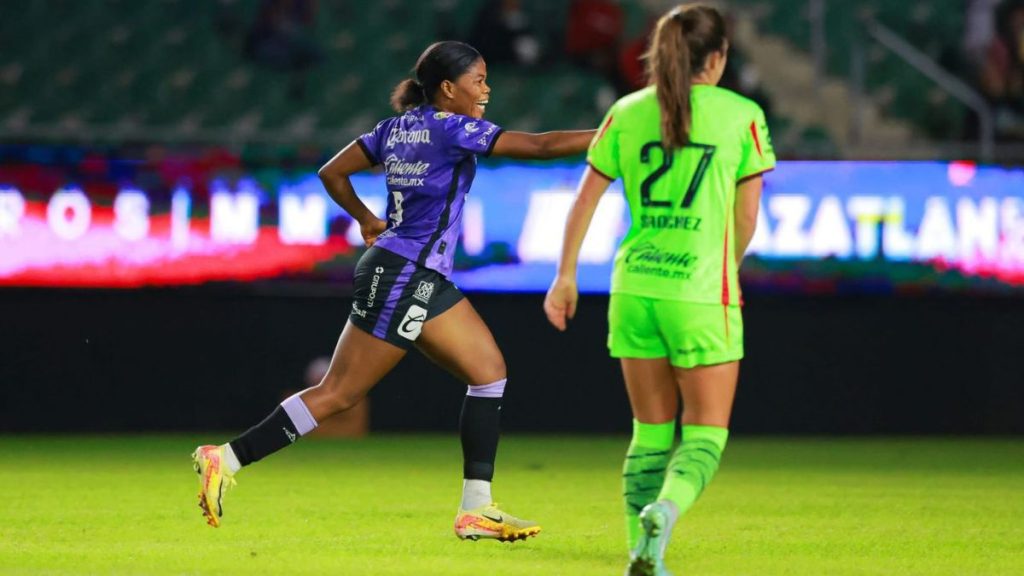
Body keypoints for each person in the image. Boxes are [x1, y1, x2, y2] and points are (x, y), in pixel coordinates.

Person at [191, 40, 595, 542]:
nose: (486, 88)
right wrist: (610, 135)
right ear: (449, 88)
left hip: (412, 271)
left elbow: (331, 172)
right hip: (405, 274)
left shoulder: (395, 127)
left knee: (488, 372)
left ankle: (476, 508)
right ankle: (225, 457)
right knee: (339, 393)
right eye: (479, 79)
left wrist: (366, 219)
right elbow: (539, 147)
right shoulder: (453, 127)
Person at [543, 5, 774, 575]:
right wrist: (729, 267)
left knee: (648, 432)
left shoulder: (626, 111)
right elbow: (747, 218)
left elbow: (585, 199)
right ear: (717, 58)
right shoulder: (742, 114)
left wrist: (565, 275)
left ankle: (638, 552)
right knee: (705, 435)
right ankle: (664, 515)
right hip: (700, 292)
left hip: (634, 290)